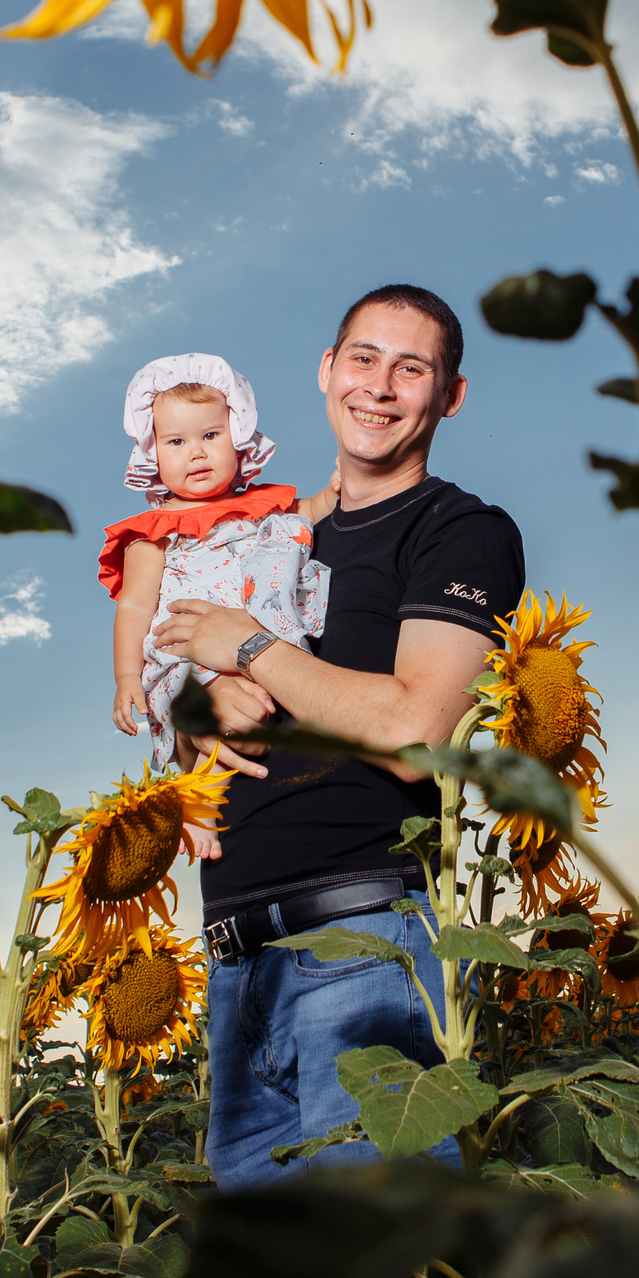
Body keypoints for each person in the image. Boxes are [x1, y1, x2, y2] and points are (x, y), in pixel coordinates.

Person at [151, 285, 526, 1188]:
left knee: (391, 1258)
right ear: (326, 371)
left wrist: (249, 645)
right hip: (238, 956)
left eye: (413, 367)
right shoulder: (262, 532)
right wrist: (190, 726)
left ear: (451, 395)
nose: (381, 386)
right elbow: (176, 678)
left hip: (364, 943)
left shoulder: (458, 530)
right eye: (363, 358)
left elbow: (412, 731)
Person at [99, 356, 333, 837]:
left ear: (239, 437)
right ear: (154, 454)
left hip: (263, 637)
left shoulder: (266, 504)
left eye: (211, 436)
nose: (197, 453)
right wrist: (126, 677)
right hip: (189, 647)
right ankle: (196, 802)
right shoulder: (153, 534)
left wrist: (339, 488)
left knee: (263, 714)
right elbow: (135, 607)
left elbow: (318, 511)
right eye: (176, 442)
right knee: (196, 710)